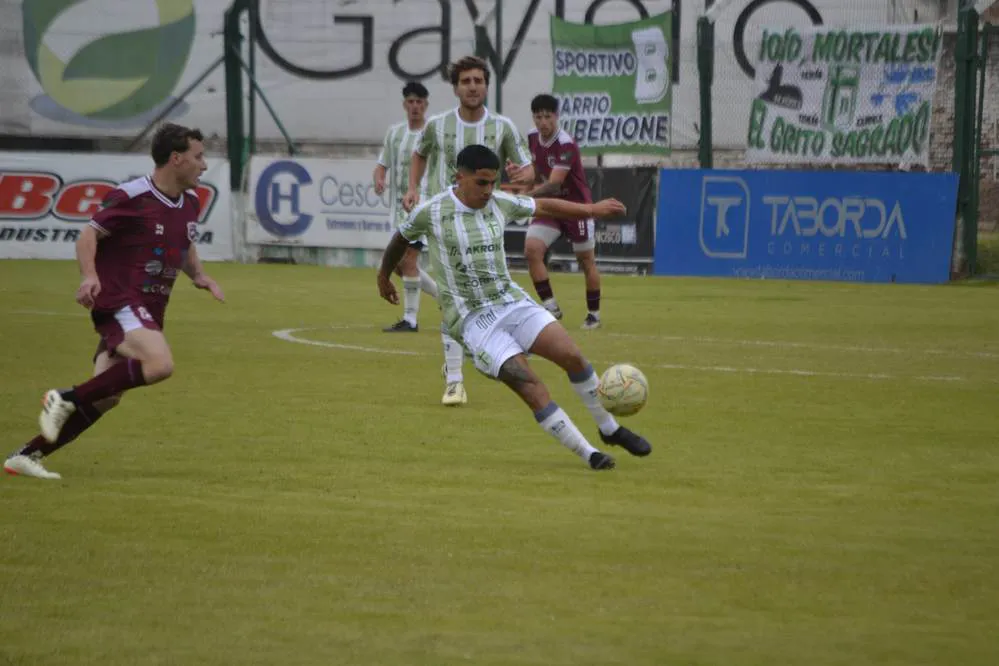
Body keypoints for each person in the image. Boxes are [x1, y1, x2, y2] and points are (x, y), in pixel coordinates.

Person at [379, 145, 651, 470]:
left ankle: (610, 429)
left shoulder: (499, 203)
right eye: (481, 183)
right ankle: (589, 454)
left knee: (574, 357)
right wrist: (384, 276)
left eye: (493, 182)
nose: (488, 190)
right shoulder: (433, 211)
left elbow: (545, 204)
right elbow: (400, 238)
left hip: (512, 303)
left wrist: (591, 210)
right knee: (532, 386)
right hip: (474, 324)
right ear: (459, 177)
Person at [3, 123, 225, 480]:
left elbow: (185, 243)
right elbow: (88, 235)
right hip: (122, 300)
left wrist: (198, 275)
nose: (204, 164)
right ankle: (64, 397)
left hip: (149, 309)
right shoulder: (133, 195)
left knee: (106, 396)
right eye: (198, 157)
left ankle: (25, 456)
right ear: (176, 158)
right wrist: (90, 276)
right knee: (159, 364)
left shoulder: (191, 202)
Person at [402, 55, 535, 407]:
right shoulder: (438, 125)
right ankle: (455, 380)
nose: (473, 87)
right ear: (456, 87)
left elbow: (527, 169)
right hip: (445, 221)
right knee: (453, 298)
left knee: (484, 293)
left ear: (486, 86)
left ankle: (506, 340)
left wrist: (523, 177)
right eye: (466, 81)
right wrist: (413, 188)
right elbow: (419, 153)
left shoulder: (503, 127)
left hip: (485, 221)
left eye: (478, 80)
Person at [525, 94, 603, 330]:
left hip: (576, 207)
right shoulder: (531, 137)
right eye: (538, 117)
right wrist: (525, 177)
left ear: (557, 117)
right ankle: (550, 307)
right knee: (532, 250)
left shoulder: (566, 144)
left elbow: (554, 183)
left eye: (548, 116)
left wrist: (525, 197)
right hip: (550, 206)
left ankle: (594, 315)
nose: (543, 122)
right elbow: (536, 170)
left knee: (586, 261)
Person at [373, 81, 439, 332]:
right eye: (410, 102)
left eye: (419, 102)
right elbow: (382, 164)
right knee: (400, 266)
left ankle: (410, 320)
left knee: (409, 260)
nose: (415, 107)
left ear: (426, 105)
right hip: (398, 208)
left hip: (422, 206)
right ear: (404, 104)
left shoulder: (433, 133)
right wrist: (379, 178)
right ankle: (444, 299)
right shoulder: (395, 133)